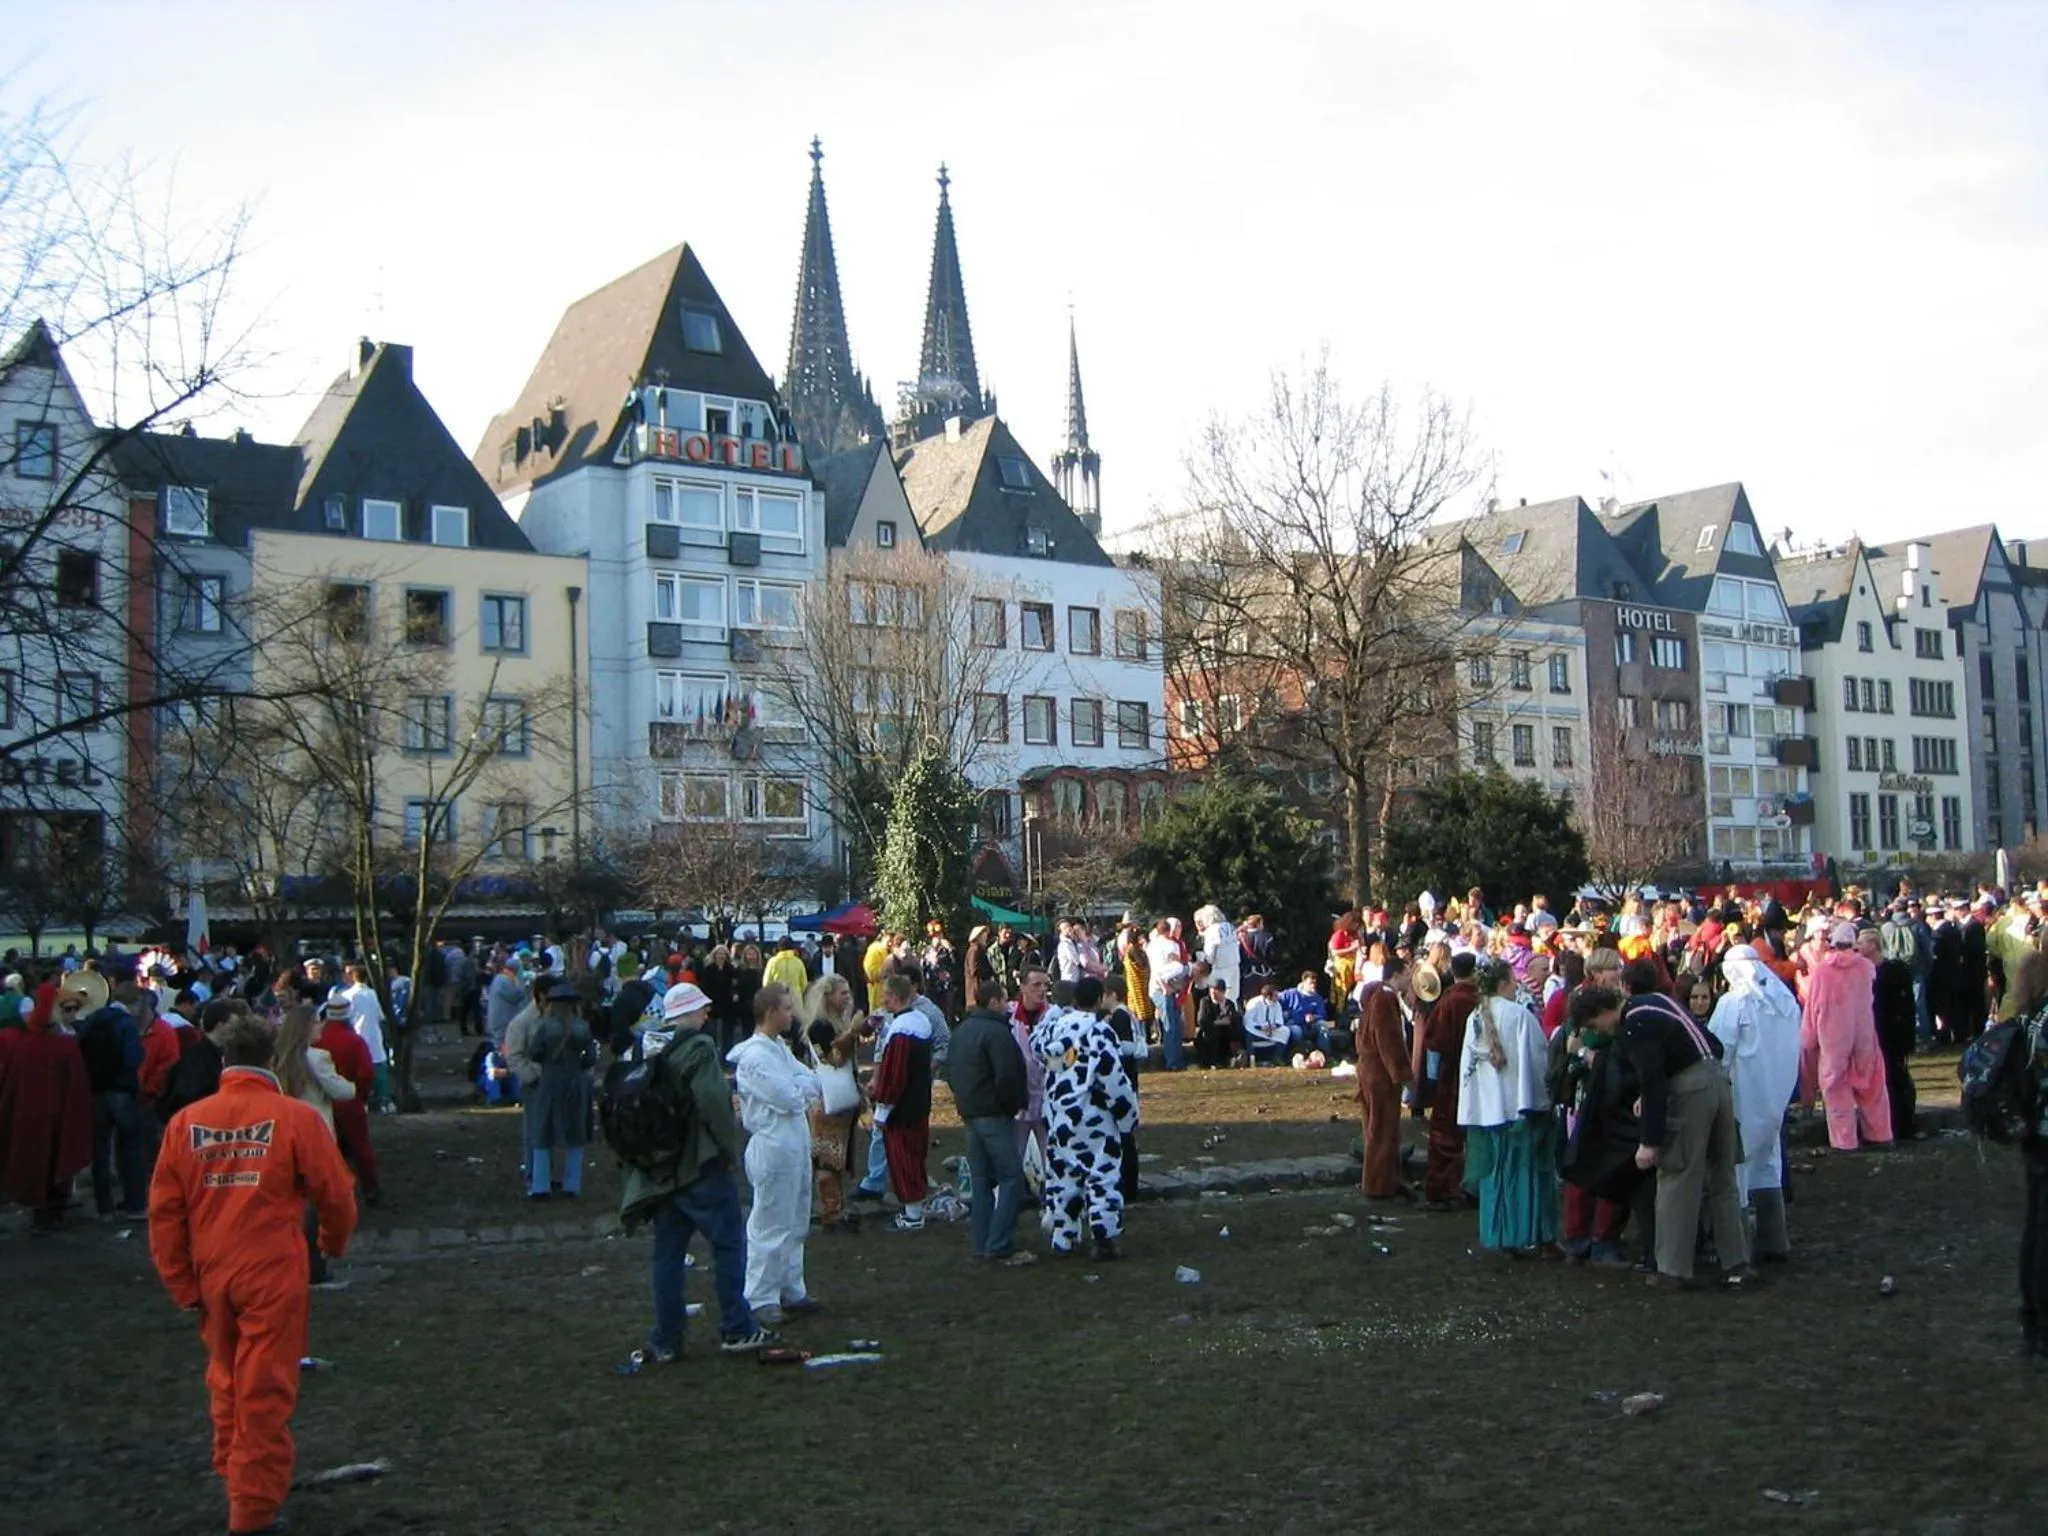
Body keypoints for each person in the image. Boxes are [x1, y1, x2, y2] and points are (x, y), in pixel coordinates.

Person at [148, 1012, 357, 1536]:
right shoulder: (295, 1120)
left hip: (212, 1272)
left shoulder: (186, 1123)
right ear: (271, 1060)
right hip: (272, 1274)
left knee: (226, 1381)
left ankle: (234, 1473)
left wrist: (181, 1283)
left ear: (224, 1059)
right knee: (265, 1391)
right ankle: (253, 1509)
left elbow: (165, 1213)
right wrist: (329, 1246)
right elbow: (336, 1196)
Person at [620, 982, 773, 1360]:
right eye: (702, 1009)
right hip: (698, 1164)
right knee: (728, 1244)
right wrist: (726, 1149)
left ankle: (667, 1338)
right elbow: (714, 1103)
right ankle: (736, 1327)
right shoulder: (698, 1048)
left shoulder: (644, 1047)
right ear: (688, 1013)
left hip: (659, 1168)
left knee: (668, 1254)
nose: (707, 1015)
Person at [1620, 958, 1755, 1290]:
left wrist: (1649, 1140)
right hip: (1719, 1082)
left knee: (1679, 1176)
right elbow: (1716, 1046)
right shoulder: (1670, 1005)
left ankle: (1672, 1268)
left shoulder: (1637, 1017)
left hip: (1691, 1089)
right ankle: (1736, 1262)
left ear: (1625, 988)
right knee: (1723, 1177)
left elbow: (1652, 1080)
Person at [727, 983, 823, 1327]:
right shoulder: (754, 1058)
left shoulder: (779, 1049)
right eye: (786, 1008)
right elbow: (789, 1097)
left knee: (796, 1218)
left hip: (795, 1139)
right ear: (770, 1013)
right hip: (772, 1142)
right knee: (770, 1221)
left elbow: (812, 1081)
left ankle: (791, 1287)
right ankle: (761, 1296)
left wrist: (801, 1089)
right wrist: (801, 1090)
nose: (791, 1014)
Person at [1031, 976, 1140, 1260]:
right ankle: (1104, 1238)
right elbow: (1113, 1080)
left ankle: (1064, 1238)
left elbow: (1038, 1046)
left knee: (1063, 1177)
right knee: (1101, 1178)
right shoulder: (1099, 1033)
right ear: (1099, 998)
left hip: (1058, 1118)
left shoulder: (1054, 1029)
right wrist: (1128, 1116)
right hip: (1094, 1120)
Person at [1707, 944, 1803, 1264]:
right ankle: (1774, 1238)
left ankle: (1738, 1247)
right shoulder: (1784, 1001)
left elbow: (1717, 1052)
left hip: (1741, 1096)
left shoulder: (1733, 1003)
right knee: (1768, 1164)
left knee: (1736, 1168)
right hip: (1775, 1096)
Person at [1456, 957, 1557, 1253]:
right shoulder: (1519, 1015)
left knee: (1495, 1175)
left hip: (1490, 1110)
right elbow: (1538, 1058)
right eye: (1513, 981)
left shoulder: (1474, 1017)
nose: (1516, 986)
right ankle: (1525, 1232)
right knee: (1525, 1173)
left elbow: (1469, 1068)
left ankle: (1498, 1233)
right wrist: (1546, 1095)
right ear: (1503, 984)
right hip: (1518, 1109)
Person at [268, 1003, 357, 1288]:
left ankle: (290, 1263)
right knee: (317, 1204)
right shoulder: (317, 1058)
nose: (321, 1027)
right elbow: (343, 1091)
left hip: (283, 1136)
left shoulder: (276, 1059)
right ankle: (316, 1268)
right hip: (315, 1135)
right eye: (317, 1022)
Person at [945, 979, 1034, 1265]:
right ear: (994, 1001)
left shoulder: (962, 1031)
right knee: (1011, 1178)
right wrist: (1013, 1105)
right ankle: (1000, 1242)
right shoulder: (997, 1033)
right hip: (993, 1113)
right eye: (1004, 998)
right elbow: (1008, 1076)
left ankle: (982, 1241)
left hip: (970, 1112)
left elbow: (951, 1070)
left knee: (981, 1180)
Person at [1554, 985, 1642, 1266]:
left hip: (1605, 1104)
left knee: (1596, 1166)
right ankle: (1591, 1239)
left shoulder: (1620, 1024)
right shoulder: (1613, 1025)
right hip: (1596, 1104)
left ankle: (1591, 1238)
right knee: (1593, 1167)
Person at [0, 982, 94, 1235]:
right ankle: (53, 1213)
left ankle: (41, 1214)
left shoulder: (23, 1046)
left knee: (34, 1164)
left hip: (27, 1117)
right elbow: (76, 1085)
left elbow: (11, 1086)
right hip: (58, 1116)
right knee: (56, 1162)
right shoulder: (65, 1047)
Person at [1802, 921, 1894, 1151]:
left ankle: (1845, 1142)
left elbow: (1813, 1006)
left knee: (1836, 1090)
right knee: (1872, 1087)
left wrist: (1808, 1037)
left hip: (1833, 1037)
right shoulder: (1865, 967)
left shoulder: (1822, 971)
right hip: (1863, 1035)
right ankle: (1880, 1135)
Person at [871, 973, 936, 1231]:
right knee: (915, 1154)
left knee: (903, 1158)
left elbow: (894, 1075)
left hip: (902, 1106)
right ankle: (916, 1206)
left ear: (895, 998)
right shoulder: (920, 1022)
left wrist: (883, 1104)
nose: (883, 999)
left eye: (886, 995)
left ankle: (912, 1213)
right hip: (919, 1099)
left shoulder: (902, 1031)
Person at [800, 974, 864, 1233]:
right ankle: (831, 1213)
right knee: (828, 1158)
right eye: (842, 993)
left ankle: (836, 1207)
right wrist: (852, 1033)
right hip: (827, 1102)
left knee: (837, 1157)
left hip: (837, 1099)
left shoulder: (835, 1022)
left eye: (848, 992)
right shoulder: (820, 1027)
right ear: (827, 997)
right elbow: (834, 1059)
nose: (847, 998)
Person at [520, 983, 595, 1199]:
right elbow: (590, 1057)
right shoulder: (582, 1027)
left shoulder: (546, 1027)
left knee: (542, 1130)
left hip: (550, 1081)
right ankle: (572, 1185)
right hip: (576, 1082)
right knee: (575, 1132)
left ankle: (540, 1186)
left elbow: (534, 1053)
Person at [1419, 953, 1480, 1209]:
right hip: (1479, 1074)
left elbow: (1435, 1041)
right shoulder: (1480, 999)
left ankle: (1445, 1189)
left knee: (1446, 1134)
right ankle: (1474, 1184)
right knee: (1477, 1132)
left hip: (1452, 1075)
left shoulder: (1450, 1001)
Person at [1355, 955, 1414, 1198]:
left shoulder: (1378, 997)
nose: (1410, 978)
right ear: (1397, 974)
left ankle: (1386, 1179)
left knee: (1378, 1127)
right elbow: (1388, 1040)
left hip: (1372, 1070)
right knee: (1382, 1128)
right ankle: (1378, 1185)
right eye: (1407, 974)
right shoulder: (1385, 999)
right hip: (1381, 1075)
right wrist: (1401, 1073)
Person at [313, 997, 381, 1206]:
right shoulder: (355, 1041)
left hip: (320, 1101)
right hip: (349, 1102)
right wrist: (361, 1094)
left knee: (325, 1150)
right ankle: (370, 1189)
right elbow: (366, 1073)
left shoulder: (316, 1039)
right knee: (361, 1148)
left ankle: (330, 1192)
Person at [337, 963, 391, 1111]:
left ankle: (361, 1100)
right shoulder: (372, 994)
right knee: (378, 1067)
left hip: (356, 1035)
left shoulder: (346, 995)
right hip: (374, 1035)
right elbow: (381, 1016)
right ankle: (383, 1101)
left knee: (357, 1070)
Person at [1143, 919, 1190, 1070]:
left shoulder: (1151, 945)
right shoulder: (1172, 945)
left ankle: (1174, 1059)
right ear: (1169, 930)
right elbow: (1172, 967)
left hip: (1154, 987)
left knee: (1172, 1024)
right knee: (1172, 1025)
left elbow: (1155, 968)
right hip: (1166, 988)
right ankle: (1173, 1062)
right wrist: (1166, 986)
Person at [1193, 977, 1242, 1069]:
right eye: (1212, 990)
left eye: (1217, 990)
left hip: (1225, 1032)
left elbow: (1234, 1018)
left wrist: (1223, 1007)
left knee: (1235, 1032)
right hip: (1209, 1031)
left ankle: (1232, 1057)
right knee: (1212, 1034)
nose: (1213, 993)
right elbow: (1202, 1020)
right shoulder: (1205, 1002)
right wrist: (1217, 1022)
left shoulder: (1229, 1003)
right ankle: (1213, 1061)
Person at [1243, 982, 1292, 1066]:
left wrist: (1273, 1026)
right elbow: (1247, 1021)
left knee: (1285, 1031)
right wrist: (1260, 1027)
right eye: (1275, 996)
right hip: (1256, 1030)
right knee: (1249, 1034)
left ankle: (1277, 1058)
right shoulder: (1254, 1003)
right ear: (1268, 996)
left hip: (1271, 1030)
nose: (1277, 998)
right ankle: (1251, 1059)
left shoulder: (1277, 1004)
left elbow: (1279, 1020)